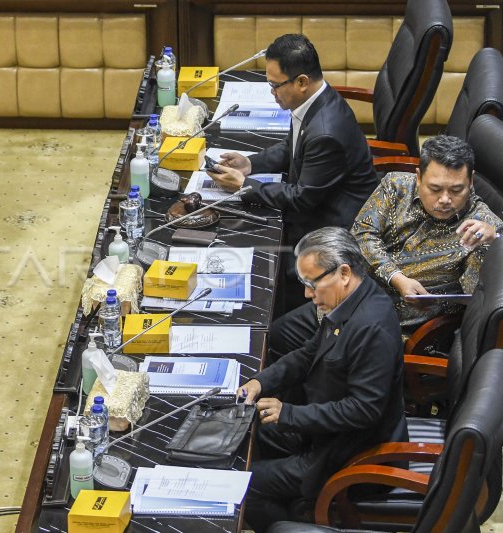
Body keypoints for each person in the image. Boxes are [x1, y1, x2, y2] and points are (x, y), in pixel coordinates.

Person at [239, 227, 406, 533]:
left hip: (351, 457)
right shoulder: (349, 302)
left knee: (245, 486)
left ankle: (294, 524)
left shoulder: (371, 327)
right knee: (246, 432)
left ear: (343, 272)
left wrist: (289, 413)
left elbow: (364, 410)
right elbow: (307, 354)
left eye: (311, 284)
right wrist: (261, 382)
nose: (307, 295)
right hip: (325, 435)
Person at [206, 34, 377, 314]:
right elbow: (292, 148)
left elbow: (301, 199)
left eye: (275, 85)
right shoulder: (314, 102)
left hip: (332, 228)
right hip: (316, 205)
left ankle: (276, 322)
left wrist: (244, 186)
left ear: (301, 82)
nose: (272, 92)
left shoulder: (326, 132)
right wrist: (250, 165)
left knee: (247, 253)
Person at [352, 135, 503, 331]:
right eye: (435, 189)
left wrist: (494, 245)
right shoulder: (395, 186)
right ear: (418, 177)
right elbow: (361, 234)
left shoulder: (483, 229)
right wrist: (397, 278)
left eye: (456, 190)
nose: (445, 199)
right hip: (345, 297)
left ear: (471, 181)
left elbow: (478, 300)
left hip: (390, 328)